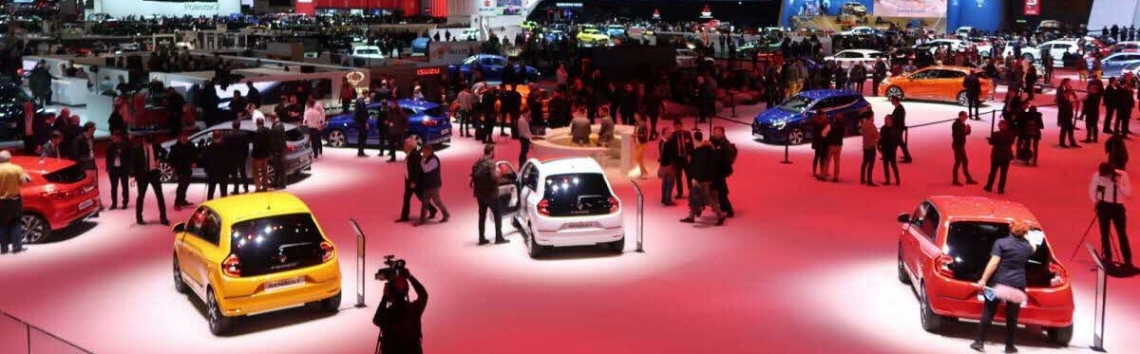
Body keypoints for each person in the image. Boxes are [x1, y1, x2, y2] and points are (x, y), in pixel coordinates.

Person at [971, 220, 1036, 353]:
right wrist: (1028, 236)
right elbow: (1034, 247)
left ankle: (979, 343)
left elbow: (993, 263)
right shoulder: (1027, 247)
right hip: (1017, 285)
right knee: (1012, 317)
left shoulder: (1001, 243)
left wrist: (983, 279)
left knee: (988, 312)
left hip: (998, 284)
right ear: (1024, 232)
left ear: (1011, 229)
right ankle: (1009, 346)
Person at [372, 269, 428, 354]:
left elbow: (376, 320)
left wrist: (385, 297)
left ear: (389, 293)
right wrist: (410, 277)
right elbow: (423, 295)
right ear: (406, 291)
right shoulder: (414, 309)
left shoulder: (386, 314)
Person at [1090, 162, 1134, 271]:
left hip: (1117, 207)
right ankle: (1107, 258)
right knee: (1104, 233)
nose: (1105, 177)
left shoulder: (1122, 175)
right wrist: (1095, 201)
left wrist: (1119, 185)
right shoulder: (1097, 175)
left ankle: (1127, 260)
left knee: (1122, 234)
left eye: (1107, 175)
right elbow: (1091, 190)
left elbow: (1129, 194)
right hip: (1103, 206)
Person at [680, 131, 725, 226]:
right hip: (709, 177)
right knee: (699, 196)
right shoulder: (709, 149)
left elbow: (699, 166)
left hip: (701, 178)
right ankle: (691, 216)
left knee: (705, 197)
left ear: (694, 139)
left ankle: (720, 214)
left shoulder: (698, 152)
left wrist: (695, 177)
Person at [471, 144, 508, 245]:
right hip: (491, 194)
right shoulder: (491, 163)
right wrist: (500, 174)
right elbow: (495, 177)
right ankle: (499, 237)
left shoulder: (478, 162)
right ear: (491, 151)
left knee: (482, 216)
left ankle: (481, 238)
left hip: (479, 194)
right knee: (497, 215)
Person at [397, 138, 437, 223]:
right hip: (409, 180)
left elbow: (417, 170)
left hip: (414, 181)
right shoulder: (410, 153)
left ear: (409, 146)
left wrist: (413, 181)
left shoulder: (414, 155)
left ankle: (432, 209)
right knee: (409, 197)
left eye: (405, 145)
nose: (403, 146)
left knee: (420, 196)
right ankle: (404, 216)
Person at [133, 136, 170, 225]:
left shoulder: (155, 145)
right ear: (143, 141)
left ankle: (163, 217)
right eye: (147, 143)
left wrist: (159, 160)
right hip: (142, 175)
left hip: (154, 174)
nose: (148, 145)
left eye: (150, 143)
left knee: (160, 196)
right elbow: (134, 164)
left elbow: (165, 152)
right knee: (140, 196)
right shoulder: (137, 149)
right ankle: (139, 218)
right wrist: (134, 176)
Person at [0, 151, 31, 254]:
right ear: (10, 158)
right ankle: (17, 247)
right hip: (14, 200)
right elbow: (24, 182)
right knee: (15, 222)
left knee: (2, 224)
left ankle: (4, 248)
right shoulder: (17, 168)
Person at [416, 145, 449, 225]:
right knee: (425, 202)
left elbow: (426, 169)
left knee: (436, 201)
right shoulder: (428, 158)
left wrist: (422, 161)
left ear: (429, 151)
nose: (422, 152)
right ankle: (422, 220)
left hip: (433, 185)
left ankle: (446, 214)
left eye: (424, 151)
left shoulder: (433, 160)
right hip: (427, 184)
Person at [710, 126, 736, 217]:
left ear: (722, 133)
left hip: (720, 171)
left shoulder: (725, 144)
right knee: (720, 190)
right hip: (716, 171)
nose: (715, 134)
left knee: (721, 191)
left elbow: (727, 159)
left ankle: (728, 210)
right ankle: (724, 208)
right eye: (714, 132)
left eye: (717, 132)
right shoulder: (715, 142)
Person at [984, 120, 1016, 195]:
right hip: (1005, 155)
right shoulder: (1011, 134)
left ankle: (989, 186)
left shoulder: (996, 134)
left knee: (993, 172)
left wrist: (992, 139)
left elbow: (991, 142)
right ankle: (1000, 189)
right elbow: (1011, 142)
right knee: (1003, 173)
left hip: (997, 155)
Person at [168, 133, 197, 209]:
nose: (185, 139)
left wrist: (194, 162)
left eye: (186, 137)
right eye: (183, 137)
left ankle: (182, 200)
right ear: (179, 138)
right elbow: (171, 158)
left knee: (186, 184)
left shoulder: (191, 145)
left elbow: (194, 155)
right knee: (181, 185)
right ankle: (177, 203)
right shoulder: (175, 147)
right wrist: (173, 166)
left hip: (188, 168)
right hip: (179, 168)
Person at [106, 131, 133, 210]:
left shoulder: (126, 144)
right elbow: (108, 157)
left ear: (120, 137)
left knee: (125, 186)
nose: (116, 138)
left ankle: (125, 203)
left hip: (123, 168)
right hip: (113, 169)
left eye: (117, 137)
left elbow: (130, 157)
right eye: (115, 137)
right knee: (114, 187)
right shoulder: (110, 145)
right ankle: (114, 204)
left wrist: (130, 169)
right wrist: (108, 168)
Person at [668, 120, 694, 198]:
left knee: (689, 176)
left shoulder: (687, 134)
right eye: (676, 127)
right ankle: (680, 193)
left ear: (682, 126)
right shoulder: (672, 136)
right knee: (678, 177)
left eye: (679, 127)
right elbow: (670, 149)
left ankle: (691, 192)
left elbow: (691, 146)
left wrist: (690, 156)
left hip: (686, 159)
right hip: (677, 160)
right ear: (674, 128)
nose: (678, 129)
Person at [200, 131, 230, 201]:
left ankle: (210, 205)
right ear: (221, 137)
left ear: (213, 137)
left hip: (212, 172)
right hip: (223, 172)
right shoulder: (226, 148)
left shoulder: (208, 148)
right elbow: (229, 160)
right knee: (223, 191)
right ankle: (224, 205)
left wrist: (206, 169)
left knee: (211, 190)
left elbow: (203, 160)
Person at [223, 120, 250, 194]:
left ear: (232, 126)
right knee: (243, 173)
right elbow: (246, 147)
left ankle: (236, 189)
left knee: (234, 174)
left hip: (231, 158)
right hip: (241, 157)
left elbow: (225, 148)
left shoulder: (228, 135)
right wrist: (245, 156)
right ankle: (246, 188)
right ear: (239, 125)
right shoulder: (244, 134)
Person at [952, 112, 978, 186]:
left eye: (966, 117)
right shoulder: (956, 124)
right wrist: (965, 130)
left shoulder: (961, 123)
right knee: (958, 162)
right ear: (960, 116)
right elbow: (958, 135)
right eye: (965, 116)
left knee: (965, 162)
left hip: (961, 146)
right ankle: (955, 180)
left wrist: (968, 129)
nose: (966, 118)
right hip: (958, 146)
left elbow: (966, 133)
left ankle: (968, 179)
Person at [821, 113, 845, 182]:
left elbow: (823, 134)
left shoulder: (830, 126)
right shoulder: (843, 126)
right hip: (839, 145)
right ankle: (836, 177)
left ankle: (823, 175)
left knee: (827, 161)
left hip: (831, 145)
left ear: (835, 119)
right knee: (837, 162)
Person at [1056, 79, 1080, 148]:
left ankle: (1072, 142)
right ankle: (1062, 143)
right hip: (1064, 118)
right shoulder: (1062, 100)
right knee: (1064, 130)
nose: (1069, 95)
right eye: (1068, 94)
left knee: (1070, 130)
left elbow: (1072, 93)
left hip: (1068, 118)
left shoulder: (1068, 99)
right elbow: (1061, 111)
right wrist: (1059, 120)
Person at [251, 118, 272, 192]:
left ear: (257, 123)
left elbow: (256, 145)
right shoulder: (268, 130)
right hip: (265, 154)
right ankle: (265, 186)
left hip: (258, 155)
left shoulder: (257, 132)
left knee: (256, 172)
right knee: (264, 171)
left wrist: (253, 155)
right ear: (263, 122)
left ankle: (258, 187)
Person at [879, 115, 901, 186]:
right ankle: (887, 180)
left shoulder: (894, 129)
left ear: (891, 120)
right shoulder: (883, 128)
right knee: (885, 165)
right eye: (885, 119)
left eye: (887, 119)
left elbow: (898, 139)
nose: (886, 120)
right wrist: (879, 147)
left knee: (893, 165)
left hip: (891, 149)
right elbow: (880, 138)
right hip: (885, 149)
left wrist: (895, 147)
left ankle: (897, 180)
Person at [890, 97, 913, 163]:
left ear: (896, 100)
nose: (891, 101)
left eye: (892, 100)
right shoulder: (899, 108)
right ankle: (906, 157)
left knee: (897, 143)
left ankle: (907, 157)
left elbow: (898, 120)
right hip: (898, 128)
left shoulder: (899, 109)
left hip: (898, 129)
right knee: (898, 143)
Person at [658, 127, 676, 206]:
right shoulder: (667, 144)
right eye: (669, 132)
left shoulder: (661, 142)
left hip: (664, 166)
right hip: (667, 166)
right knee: (670, 183)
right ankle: (667, 200)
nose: (671, 134)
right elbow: (671, 154)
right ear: (664, 134)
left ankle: (664, 199)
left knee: (665, 183)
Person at [859, 113, 879, 186]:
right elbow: (877, 135)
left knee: (864, 163)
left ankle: (862, 178)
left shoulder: (863, 125)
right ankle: (869, 180)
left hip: (865, 146)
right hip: (871, 146)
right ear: (871, 116)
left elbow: (862, 132)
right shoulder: (871, 125)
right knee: (871, 164)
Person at [269, 114, 288, 189]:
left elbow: (278, 141)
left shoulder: (277, 127)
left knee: (280, 167)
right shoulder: (278, 125)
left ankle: (282, 184)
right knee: (277, 167)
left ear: (272, 118)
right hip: (278, 150)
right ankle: (276, 182)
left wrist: (277, 151)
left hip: (278, 150)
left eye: (270, 119)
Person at [811, 112, 830, 178]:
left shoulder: (820, 122)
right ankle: (816, 171)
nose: (825, 116)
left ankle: (821, 170)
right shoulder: (818, 123)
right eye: (824, 115)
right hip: (819, 142)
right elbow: (821, 133)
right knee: (818, 156)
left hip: (821, 142)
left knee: (821, 157)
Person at [633, 114, 650, 179]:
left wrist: (636, 135)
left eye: (636, 116)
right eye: (635, 116)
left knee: (637, 158)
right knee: (639, 159)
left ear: (640, 116)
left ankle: (644, 172)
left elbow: (645, 134)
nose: (635, 117)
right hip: (637, 143)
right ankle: (643, 172)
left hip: (642, 143)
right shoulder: (636, 124)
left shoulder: (643, 124)